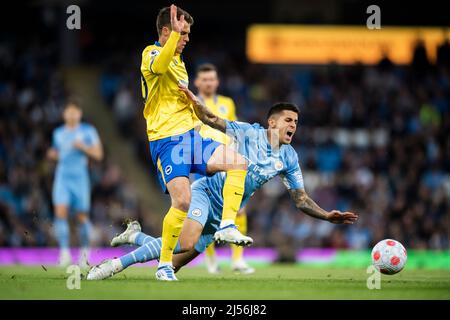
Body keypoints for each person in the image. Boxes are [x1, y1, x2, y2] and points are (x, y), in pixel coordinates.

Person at [87, 88, 358, 281]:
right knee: (183, 243)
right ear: (272, 122)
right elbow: (214, 120)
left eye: (296, 122)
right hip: (205, 193)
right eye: (288, 120)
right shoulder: (249, 132)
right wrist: (195, 103)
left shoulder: (289, 157)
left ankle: (134, 236)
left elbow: (300, 199)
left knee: (173, 259)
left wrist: (326, 216)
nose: (293, 126)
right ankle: (114, 265)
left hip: (221, 215)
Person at [141, 4, 250, 281]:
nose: (187, 38)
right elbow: (160, 65)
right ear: (167, 31)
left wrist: (196, 106)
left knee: (237, 162)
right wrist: (174, 38)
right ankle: (164, 265)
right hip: (167, 140)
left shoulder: (179, 62)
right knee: (182, 202)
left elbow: (179, 98)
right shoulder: (151, 53)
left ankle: (227, 225)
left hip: (192, 136)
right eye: (183, 33)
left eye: (187, 33)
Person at [193, 63, 254, 274]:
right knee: (207, 214)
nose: (209, 82)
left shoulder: (227, 103)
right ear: (197, 82)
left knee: (239, 208)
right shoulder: (191, 103)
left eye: (212, 79)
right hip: (204, 161)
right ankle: (211, 261)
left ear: (217, 82)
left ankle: (237, 260)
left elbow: (234, 129)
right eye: (205, 79)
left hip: (227, 160)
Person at [47, 99, 103, 268]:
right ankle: (64, 253)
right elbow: (58, 152)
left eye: (74, 111)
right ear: (64, 114)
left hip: (80, 178)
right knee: (60, 213)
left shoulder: (88, 131)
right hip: (62, 177)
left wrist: (83, 147)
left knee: (81, 217)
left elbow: (99, 155)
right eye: (68, 111)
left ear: (79, 113)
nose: (71, 114)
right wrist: (52, 155)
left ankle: (85, 252)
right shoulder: (58, 133)